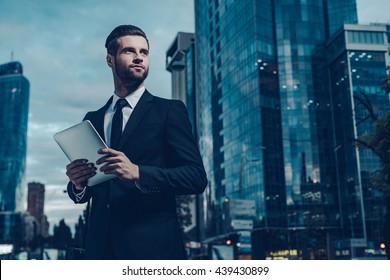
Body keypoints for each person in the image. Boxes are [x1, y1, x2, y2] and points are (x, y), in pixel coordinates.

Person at [65, 24, 208, 260]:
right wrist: (78, 184)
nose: (139, 58)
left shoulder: (169, 111)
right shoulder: (92, 119)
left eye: (144, 52)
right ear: (110, 60)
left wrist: (138, 172)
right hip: (100, 249)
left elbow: (196, 178)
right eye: (130, 51)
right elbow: (87, 191)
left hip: (153, 249)